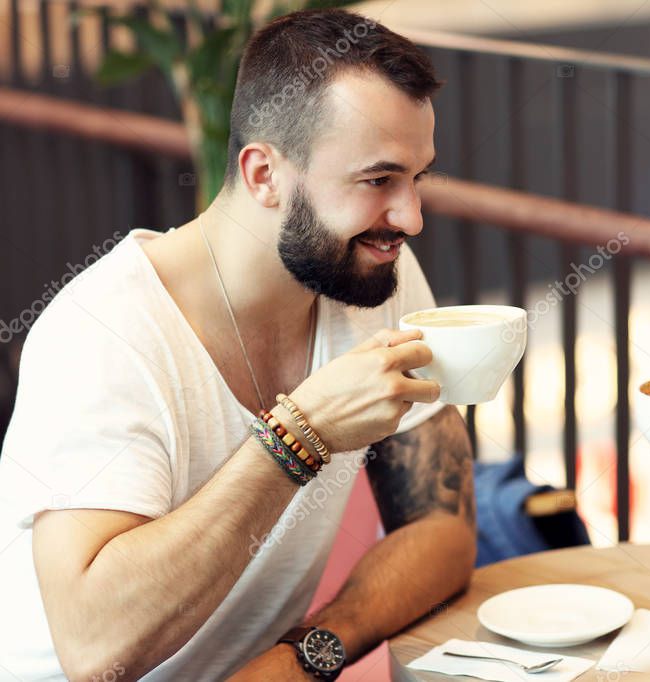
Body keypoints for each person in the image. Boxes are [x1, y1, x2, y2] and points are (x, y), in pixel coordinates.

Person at [0, 8, 476, 680]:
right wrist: (298, 437)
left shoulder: (370, 269)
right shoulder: (103, 335)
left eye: (417, 177)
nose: (409, 217)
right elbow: (94, 651)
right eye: (377, 181)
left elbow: (443, 530)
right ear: (263, 175)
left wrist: (309, 653)